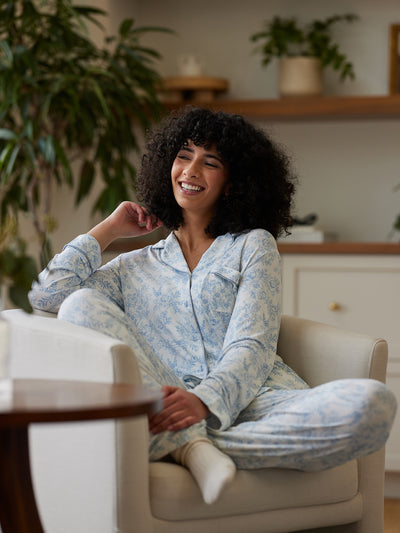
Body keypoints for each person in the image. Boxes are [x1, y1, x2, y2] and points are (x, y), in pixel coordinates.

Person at [29, 107, 397, 505]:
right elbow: (47, 294)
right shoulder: (132, 267)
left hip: (258, 399)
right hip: (167, 397)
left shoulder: (252, 245)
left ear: (233, 182)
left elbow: (252, 346)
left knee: (373, 405)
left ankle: (179, 443)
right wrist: (109, 230)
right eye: (183, 155)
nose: (190, 171)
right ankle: (191, 447)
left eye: (210, 162)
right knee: (80, 304)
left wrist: (204, 400)